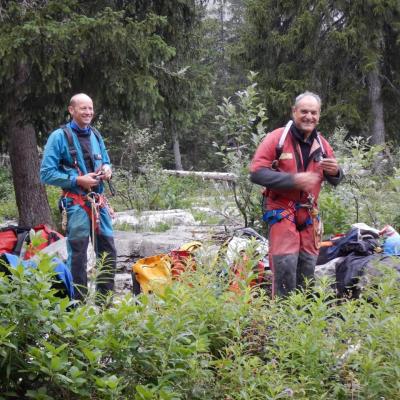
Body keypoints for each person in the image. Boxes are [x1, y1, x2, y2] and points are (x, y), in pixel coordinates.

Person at [250, 91, 343, 297]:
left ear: (319, 115)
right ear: (294, 112)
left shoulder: (322, 144)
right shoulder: (277, 138)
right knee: (285, 264)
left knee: (308, 265)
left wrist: (335, 171)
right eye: (304, 111)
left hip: (309, 214)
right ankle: (283, 319)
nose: (309, 116)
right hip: (281, 210)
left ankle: (303, 316)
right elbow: (256, 173)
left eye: (314, 112)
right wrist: (293, 180)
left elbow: (336, 179)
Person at [40, 93, 116, 302]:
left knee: (108, 253)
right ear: (71, 110)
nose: (88, 112)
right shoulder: (59, 137)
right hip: (77, 204)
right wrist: (77, 180)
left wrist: (108, 169)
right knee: (78, 257)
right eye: (83, 108)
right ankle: (78, 308)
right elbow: (46, 173)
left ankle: (105, 304)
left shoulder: (96, 135)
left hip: (99, 204)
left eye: (90, 108)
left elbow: (106, 160)